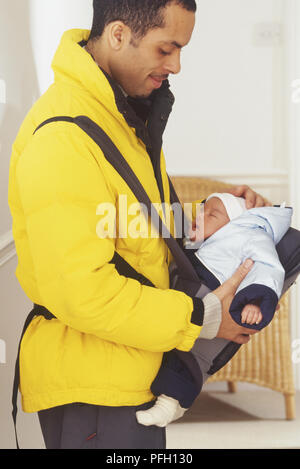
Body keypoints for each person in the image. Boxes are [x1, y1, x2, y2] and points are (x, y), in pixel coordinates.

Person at [8, 0, 270, 449]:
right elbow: (83, 292)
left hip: (126, 371)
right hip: (94, 386)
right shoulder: (64, 138)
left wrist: (218, 218)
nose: (177, 65)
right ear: (117, 35)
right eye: (166, 49)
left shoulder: (121, 117)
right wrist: (202, 318)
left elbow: (133, 224)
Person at [136, 192, 292, 428]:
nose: (201, 215)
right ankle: (172, 400)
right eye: (202, 210)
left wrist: (254, 300)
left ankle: (170, 403)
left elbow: (267, 267)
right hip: (187, 293)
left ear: (235, 221)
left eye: (213, 214)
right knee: (171, 348)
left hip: (214, 293)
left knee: (192, 357)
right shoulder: (202, 240)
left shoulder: (250, 235)